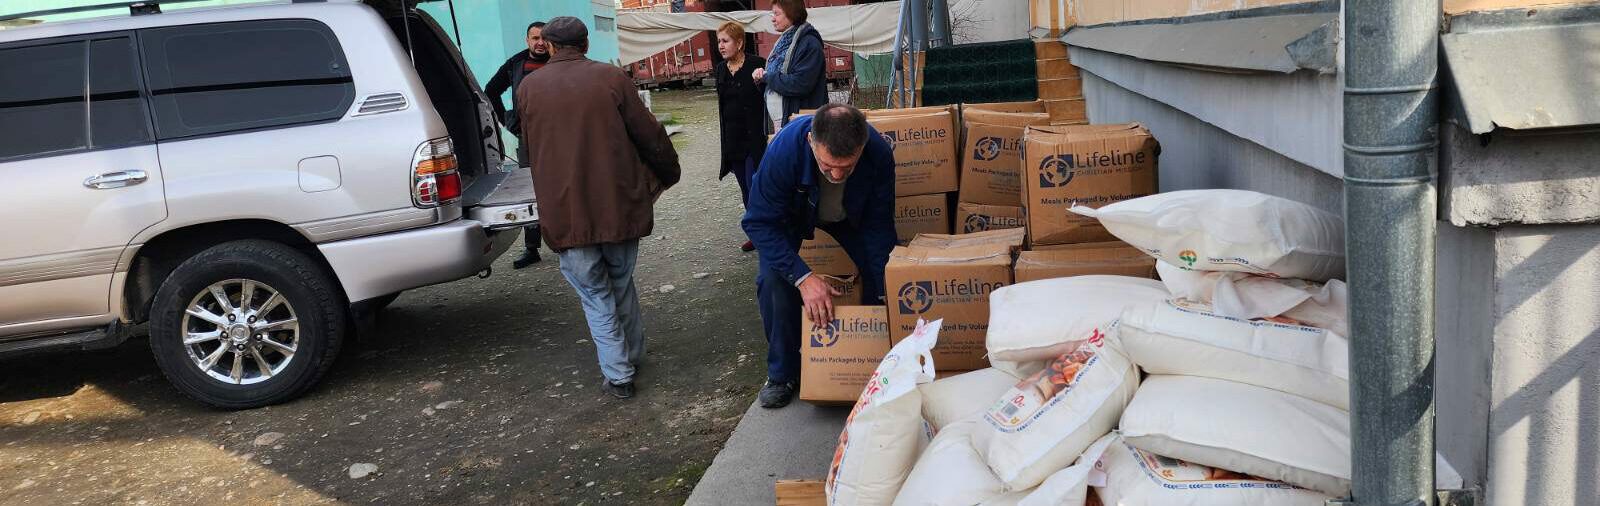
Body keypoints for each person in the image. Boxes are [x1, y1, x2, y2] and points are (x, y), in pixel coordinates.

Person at [517, 17, 682, 400]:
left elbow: (528, 148)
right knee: (620, 283)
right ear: (586, 44)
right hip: (618, 206)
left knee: (595, 294)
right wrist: (668, 172)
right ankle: (632, 356)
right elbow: (650, 134)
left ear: (552, 47)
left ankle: (619, 372)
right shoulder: (611, 78)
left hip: (566, 212)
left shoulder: (529, 88)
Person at [742, 103, 897, 408]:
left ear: (862, 147)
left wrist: (884, 289)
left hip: (851, 218)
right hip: (793, 216)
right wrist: (802, 277)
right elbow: (758, 222)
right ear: (811, 142)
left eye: (848, 167)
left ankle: (867, 359)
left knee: (881, 271)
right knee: (774, 280)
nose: (837, 174)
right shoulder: (784, 150)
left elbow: (879, 226)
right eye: (828, 166)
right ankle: (781, 373)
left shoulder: (878, 153)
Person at [485, 21, 550, 268]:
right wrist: (507, 122)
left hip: (561, 135)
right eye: (535, 38)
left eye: (544, 38)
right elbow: (491, 90)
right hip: (529, 138)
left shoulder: (558, 62)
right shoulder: (516, 63)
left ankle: (571, 239)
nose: (540, 43)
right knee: (531, 190)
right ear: (527, 40)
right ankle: (531, 247)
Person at [713, 21, 768, 253]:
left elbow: (768, 99)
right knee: (745, 190)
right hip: (733, 140)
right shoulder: (720, 70)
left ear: (740, 43)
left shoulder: (757, 65)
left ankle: (767, 233)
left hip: (754, 139)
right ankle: (756, 235)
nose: (721, 46)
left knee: (756, 187)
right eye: (719, 42)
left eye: (725, 41)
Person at [753, 0, 827, 130]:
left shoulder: (809, 44)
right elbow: (775, 80)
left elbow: (801, 84)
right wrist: (761, 78)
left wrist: (768, 77)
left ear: (791, 13)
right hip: (781, 122)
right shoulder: (783, 44)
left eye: (776, 14)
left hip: (801, 123)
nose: (773, 19)